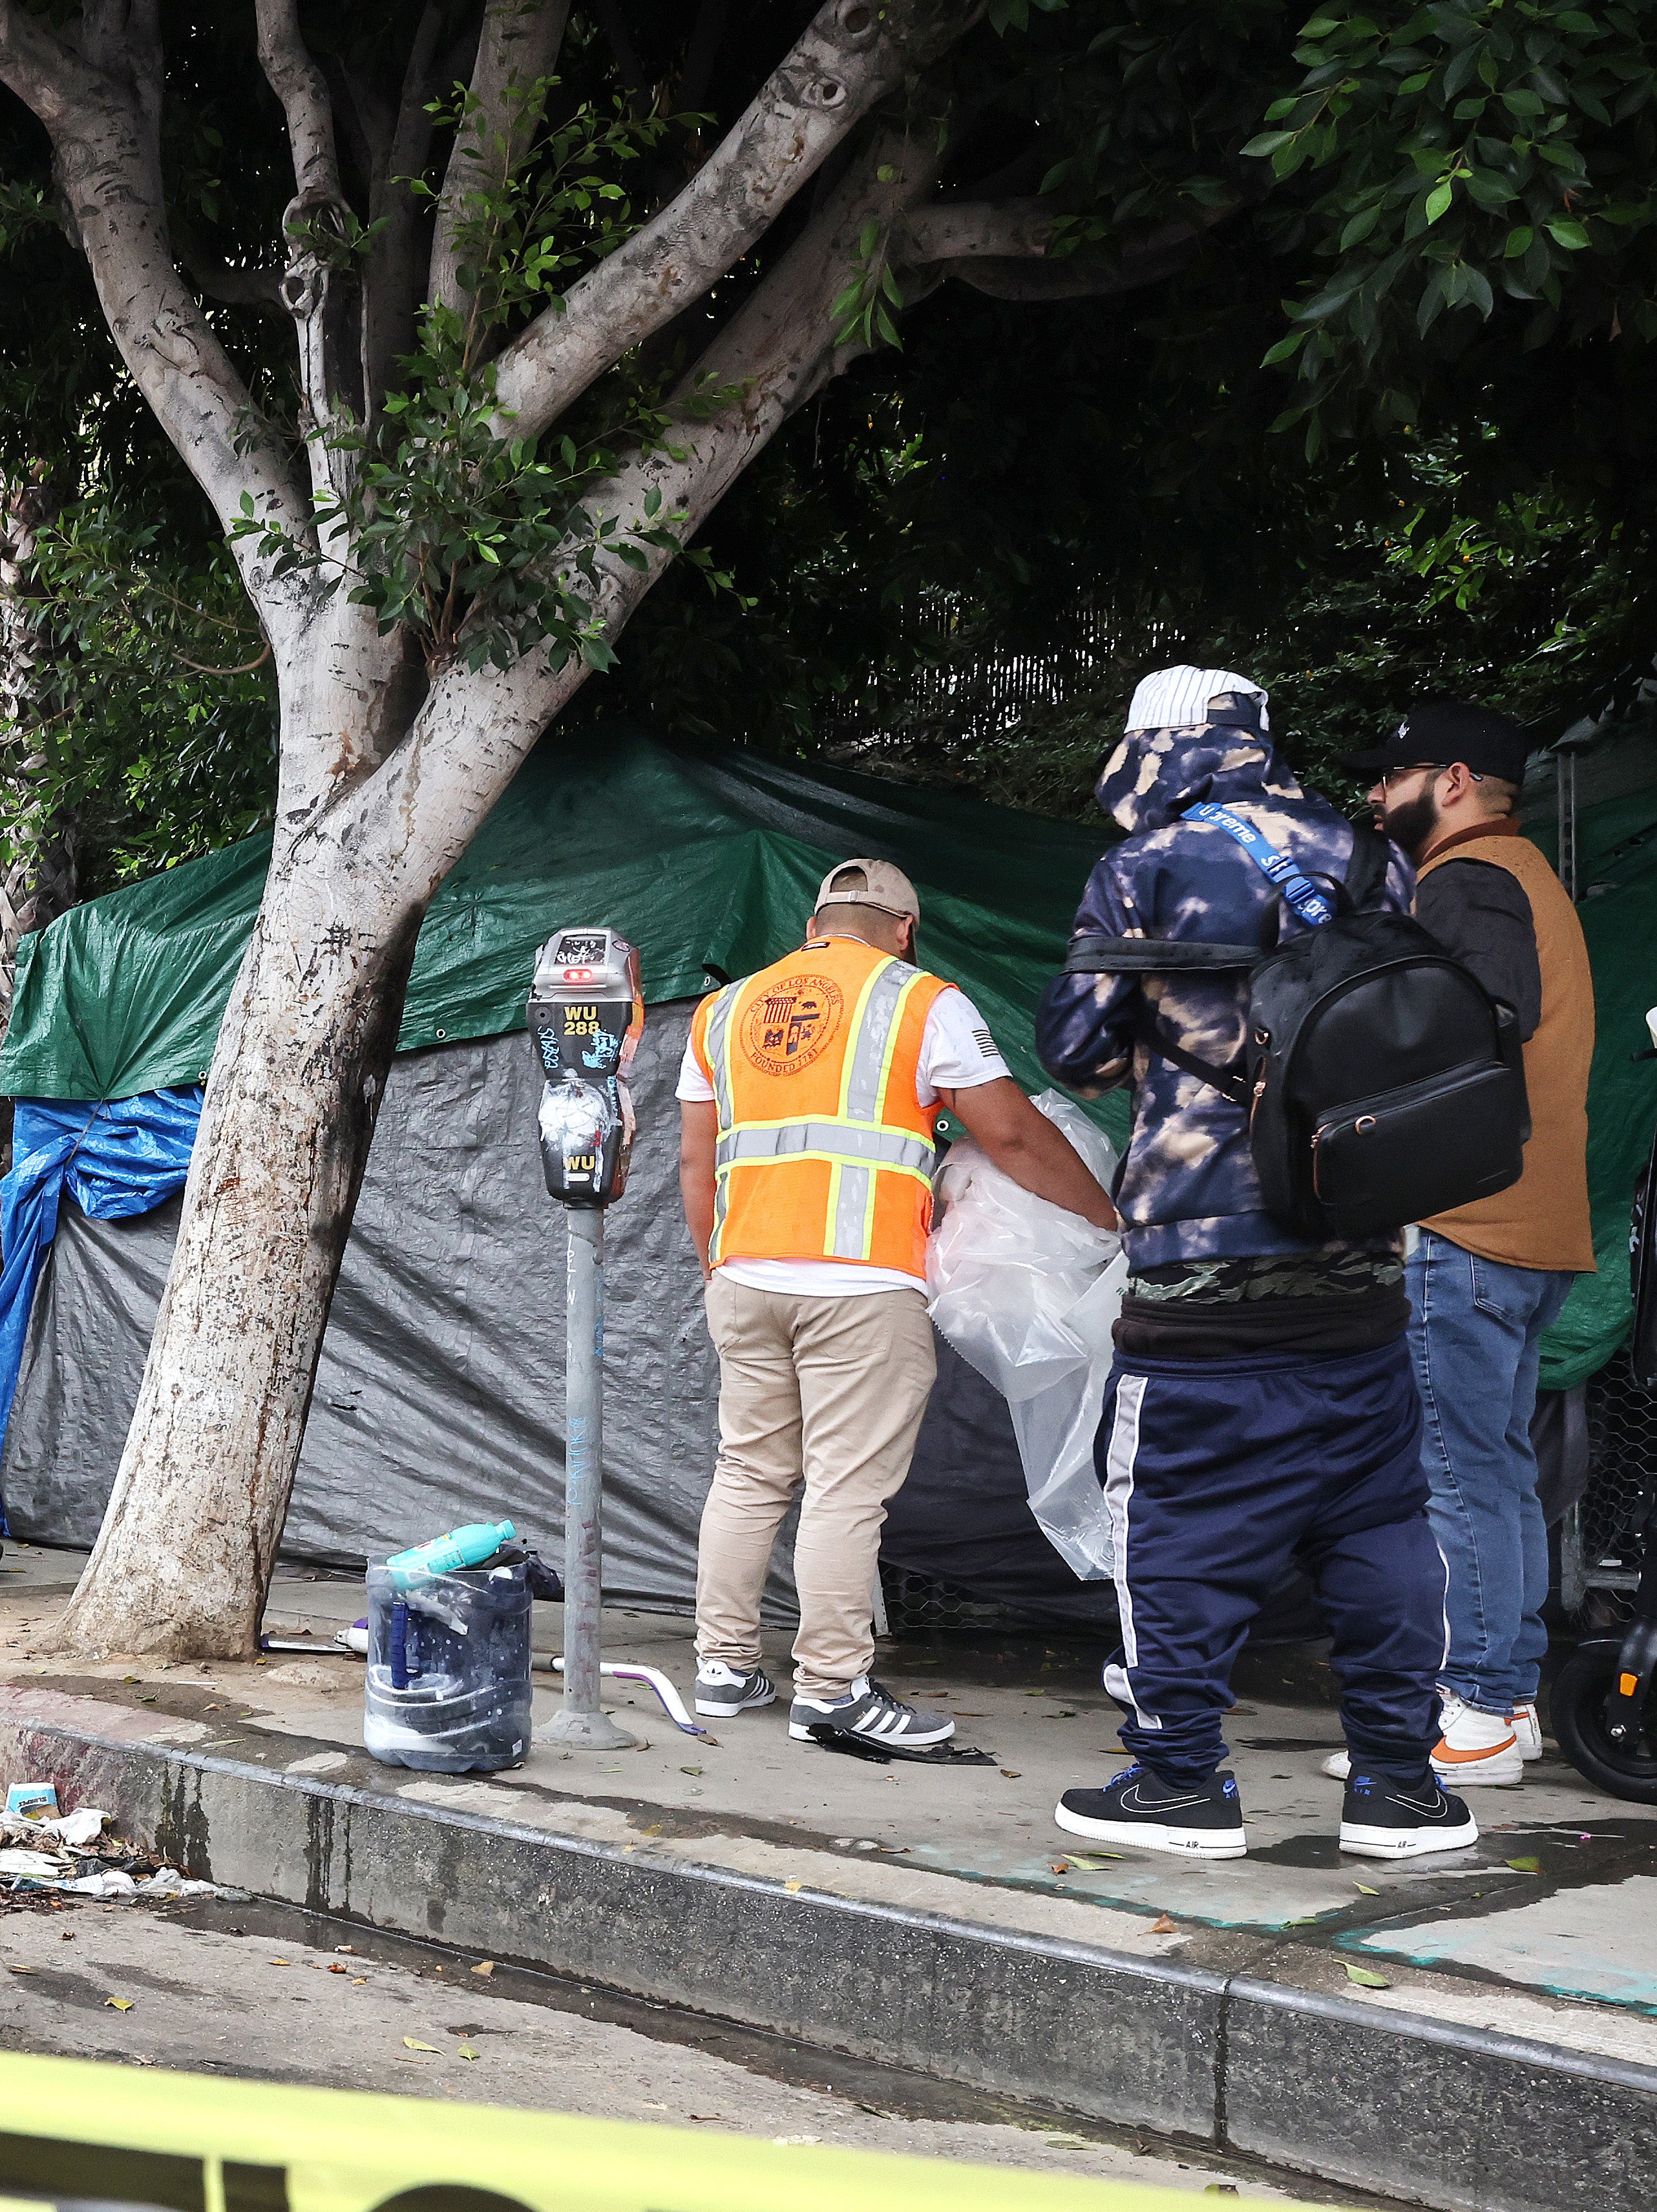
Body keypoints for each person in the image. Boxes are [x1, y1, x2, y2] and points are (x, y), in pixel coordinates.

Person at [1038, 667, 1472, 1862]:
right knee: (1380, 1525)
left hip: (1202, 1268)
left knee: (1171, 1529)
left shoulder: (1149, 863)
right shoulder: (1363, 851)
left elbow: (1072, 1046)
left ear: (1148, 747)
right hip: (1354, 1257)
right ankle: (1398, 1788)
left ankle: (1179, 1780)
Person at [681, 859, 1124, 1749]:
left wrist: (715, 1267)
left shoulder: (721, 1011)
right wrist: (1103, 1217)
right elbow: (1010, 1132)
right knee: (846, 1487)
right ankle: (832, 1689)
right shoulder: (920, 999)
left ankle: (724, 1667)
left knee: (747, 1471)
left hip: (742, 1275)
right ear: (903, 928)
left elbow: (697, 1160)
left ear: (813, 925)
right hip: (861, 1282)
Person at [1314, 699, 1591, 1791]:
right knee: (1495, 1474)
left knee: (1458, 1476)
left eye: (1392, 776)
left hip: (1466, 1223)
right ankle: (1505, 1699)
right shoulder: (1524, 872)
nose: (1375, 797)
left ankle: (1471, 1710)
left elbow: (1481, 1013)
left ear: (1455, 782)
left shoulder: (1463, 877)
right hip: (1532, 1223)